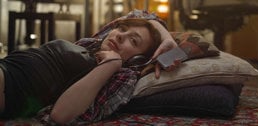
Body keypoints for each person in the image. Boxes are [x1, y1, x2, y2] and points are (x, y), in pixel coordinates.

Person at [0, 10, 178, 124]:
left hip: (9, 87)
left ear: (139, 59)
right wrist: (167, 36)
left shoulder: (124, 76)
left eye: (133, 40)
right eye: (122, 30)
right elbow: (144, 14)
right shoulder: (93, 43)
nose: (120, 36)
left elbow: (60, 115)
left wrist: (112, 63)